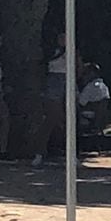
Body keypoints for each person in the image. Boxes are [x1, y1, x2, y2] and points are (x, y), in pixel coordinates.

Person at [34, 32, 69, 167]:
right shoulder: (51, 51)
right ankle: (40, 153)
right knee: (51, 119)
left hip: (67, 80)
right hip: (54, 81)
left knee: (67, 120)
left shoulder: (72, 51)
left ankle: (69, 153)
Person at [77, 64, 111, 134]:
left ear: (92, 73)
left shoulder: (90, 87)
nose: (83, 76)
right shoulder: (104, 86)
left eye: (85, 73)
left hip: (89, 115)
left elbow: (80, 103)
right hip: (101, 117)